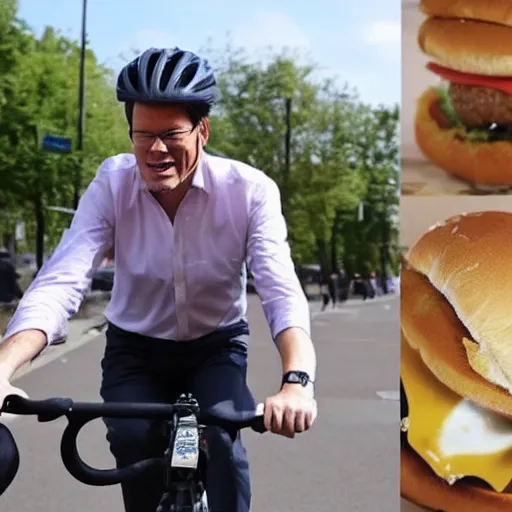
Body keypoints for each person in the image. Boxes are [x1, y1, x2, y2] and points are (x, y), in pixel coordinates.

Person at [0, 47, 317, 512]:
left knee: (224, 446)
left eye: (171, 134)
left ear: (202, 131)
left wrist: (297, 381)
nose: (155, 150)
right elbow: (62, 280)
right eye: (143, 135)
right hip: (137, 349)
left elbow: (280, 290)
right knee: (131, 439)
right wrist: (3, 368)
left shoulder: (249, 191)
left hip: (216, 346)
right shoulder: (112, 183)